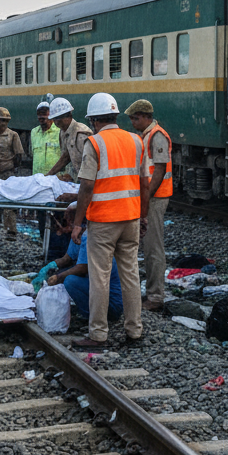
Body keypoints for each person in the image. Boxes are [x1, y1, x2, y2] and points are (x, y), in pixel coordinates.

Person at [70, 92, 147, 351]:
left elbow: (86, 186)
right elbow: (144, 183)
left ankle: (98, 334)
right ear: (115, 115)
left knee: (100, 277)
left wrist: (78, 223)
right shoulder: (136, 140)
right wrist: (143, 214)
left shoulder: (95, 143)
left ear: (93, 120)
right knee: (131, 275)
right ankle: (135, 331)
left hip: (103, 221)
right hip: (131, 217)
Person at [125, 99, 173, 310]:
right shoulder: (146, 136)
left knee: (153, 246)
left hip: (155, 197)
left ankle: (155, 296)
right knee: (148, 245)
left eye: (135, 118)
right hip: (149, 197)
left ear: (146, 117)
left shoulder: (157, 136)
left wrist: (146, 196)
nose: (133, 123)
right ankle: (151, 292)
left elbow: (160, 170)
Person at [44, 210, 123, 323]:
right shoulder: (78, 235)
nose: (68, 223)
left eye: (71, 220)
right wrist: (48, 267)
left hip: (112, 302)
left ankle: (93, 317)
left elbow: (83, 267)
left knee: (70, 280)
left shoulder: (89, 236)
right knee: (65, 274)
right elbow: (67, 258)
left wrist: (58, 277)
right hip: (99, 290)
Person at [30, 99, 65, 260]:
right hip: (38, 183)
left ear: (51, 116)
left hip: (57, 183)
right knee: (42, 219)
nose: (41, 120)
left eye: (44, 117)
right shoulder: (34, 132)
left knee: (58, 219)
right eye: (39, 117)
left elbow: (66, 156)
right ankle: (45, 250)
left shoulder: (59, 133)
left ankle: (56, 253)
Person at [0, 106, 25, 240]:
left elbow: (18, 155)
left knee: (8, 203)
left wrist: (10, 167)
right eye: (0, 120)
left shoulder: (13, 135)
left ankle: (11, 230)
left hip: (7, 172)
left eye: (5, 121)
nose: (2, 124)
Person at [46, 97, 93, 181]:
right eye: (54, 118)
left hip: (87, 181)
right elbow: (65, 157)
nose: (56, 122)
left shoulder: (81, 134)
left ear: (69, 116)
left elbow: (91, 165)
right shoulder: (63, 132)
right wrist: (47, 176)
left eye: (58, 118)